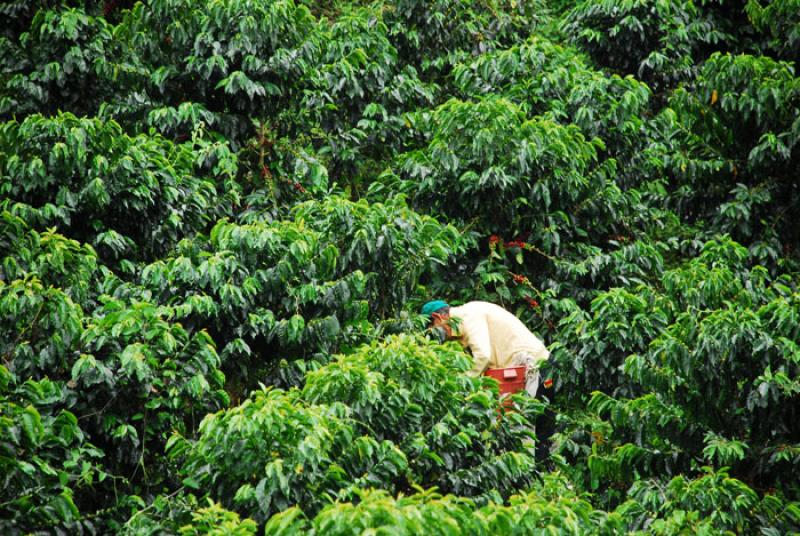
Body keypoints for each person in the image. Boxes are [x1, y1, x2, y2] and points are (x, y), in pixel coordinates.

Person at [421, 300, 550, 397]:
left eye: (432, 329)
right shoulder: (459, 329)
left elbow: (483, 356)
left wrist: (460, 384)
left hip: (535, 366)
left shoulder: (468, 315)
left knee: (528, 426)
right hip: (521, 371)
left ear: (438, 318)